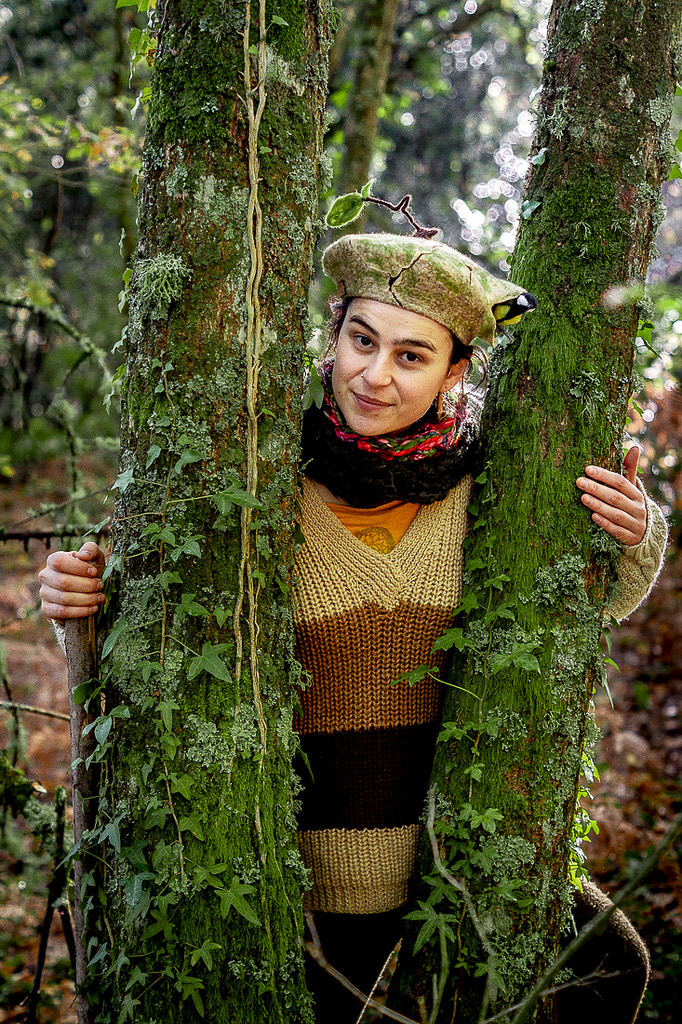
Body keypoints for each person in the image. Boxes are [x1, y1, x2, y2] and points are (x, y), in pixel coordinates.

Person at [40, 232, 667, 1023]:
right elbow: (138, 634)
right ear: (331, 336)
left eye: (411, 356)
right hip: (298, 892)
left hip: (459, 867)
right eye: (362, 341)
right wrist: (73, 600)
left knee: (612, 967)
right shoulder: (261, 479)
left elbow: (598, 601)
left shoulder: (495, 496)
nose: (374, 376)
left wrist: (637, 529)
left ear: (455, 372)